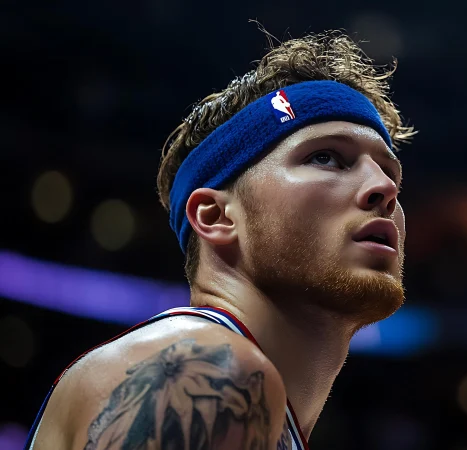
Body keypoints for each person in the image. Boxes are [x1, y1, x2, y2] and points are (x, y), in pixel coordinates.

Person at [25, 30, 415, 449]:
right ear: (216, 217)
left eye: (390, 173)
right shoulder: (205, 370)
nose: (384, 188)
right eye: (326, 157)